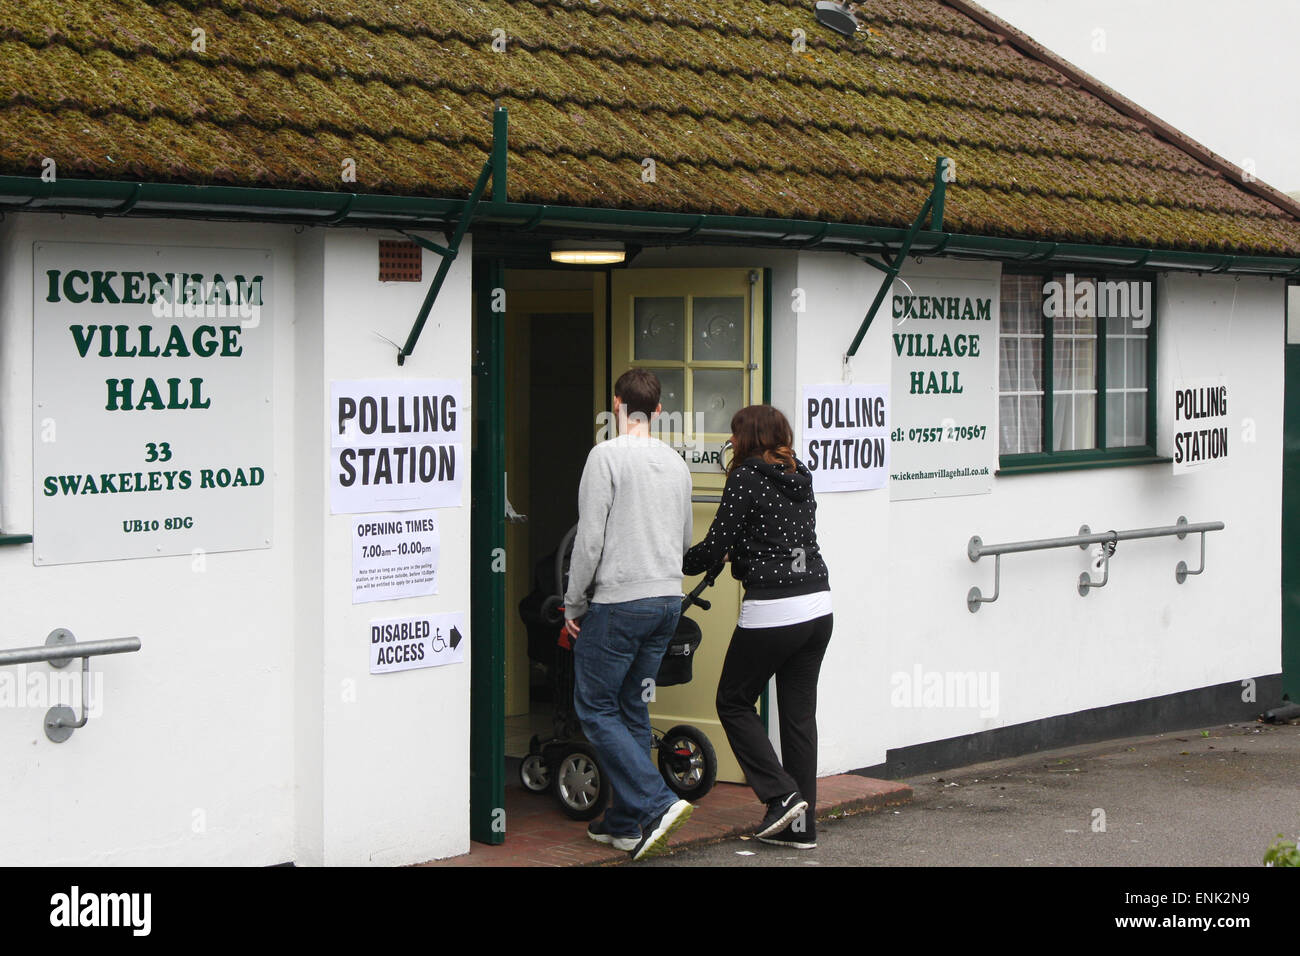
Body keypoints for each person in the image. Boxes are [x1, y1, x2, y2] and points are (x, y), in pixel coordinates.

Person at [682, 404, 832, 849]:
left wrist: (673, 562)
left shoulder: (746, 476)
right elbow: (784, 540)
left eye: (733, 434)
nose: (730, 441)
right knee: (799, 717)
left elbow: (715, 546)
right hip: (818, 604)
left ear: (747, 438)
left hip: (775, 610)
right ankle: (801, 829)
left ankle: (781, 796)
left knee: (732, 700)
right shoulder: (799, 472)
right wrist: (745, 553)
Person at [563, 367, 695, 861]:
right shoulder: (677, 464)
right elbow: (683, 541)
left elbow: (589, 538)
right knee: (632, 707)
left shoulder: (605, 457)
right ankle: (625, 822)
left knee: (595, 708)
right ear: (658, 410)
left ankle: (658, 803)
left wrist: (573, 603)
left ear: (616, 404)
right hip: (665, 602)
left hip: (619, 603)